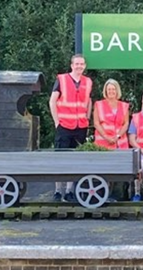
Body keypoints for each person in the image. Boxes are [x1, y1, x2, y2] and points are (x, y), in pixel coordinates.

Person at [49, 54, 93, 202]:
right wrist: (56, 122)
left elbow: (89, 101)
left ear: (85, 66)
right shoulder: (61, 79)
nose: (79, 66)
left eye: (82, 64)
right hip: (64, 125)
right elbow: (53, 101)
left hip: (80, 126)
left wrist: (87, 118)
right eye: (77, 64)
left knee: (76, 159)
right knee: (60, 159)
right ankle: (57, 191)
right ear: (72, 65)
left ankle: (69, 191)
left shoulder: (88, 82)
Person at [93, 79, 130, 150]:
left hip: (120, 142)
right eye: (109, 89)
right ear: (106, 91)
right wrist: (106, 137)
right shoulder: (99, 105)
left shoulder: (124, 106)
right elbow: (96, 123)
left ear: (117, 91)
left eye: (113, 89)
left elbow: (126, 123)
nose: (111, 91)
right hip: (102, 142)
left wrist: (118, 136)